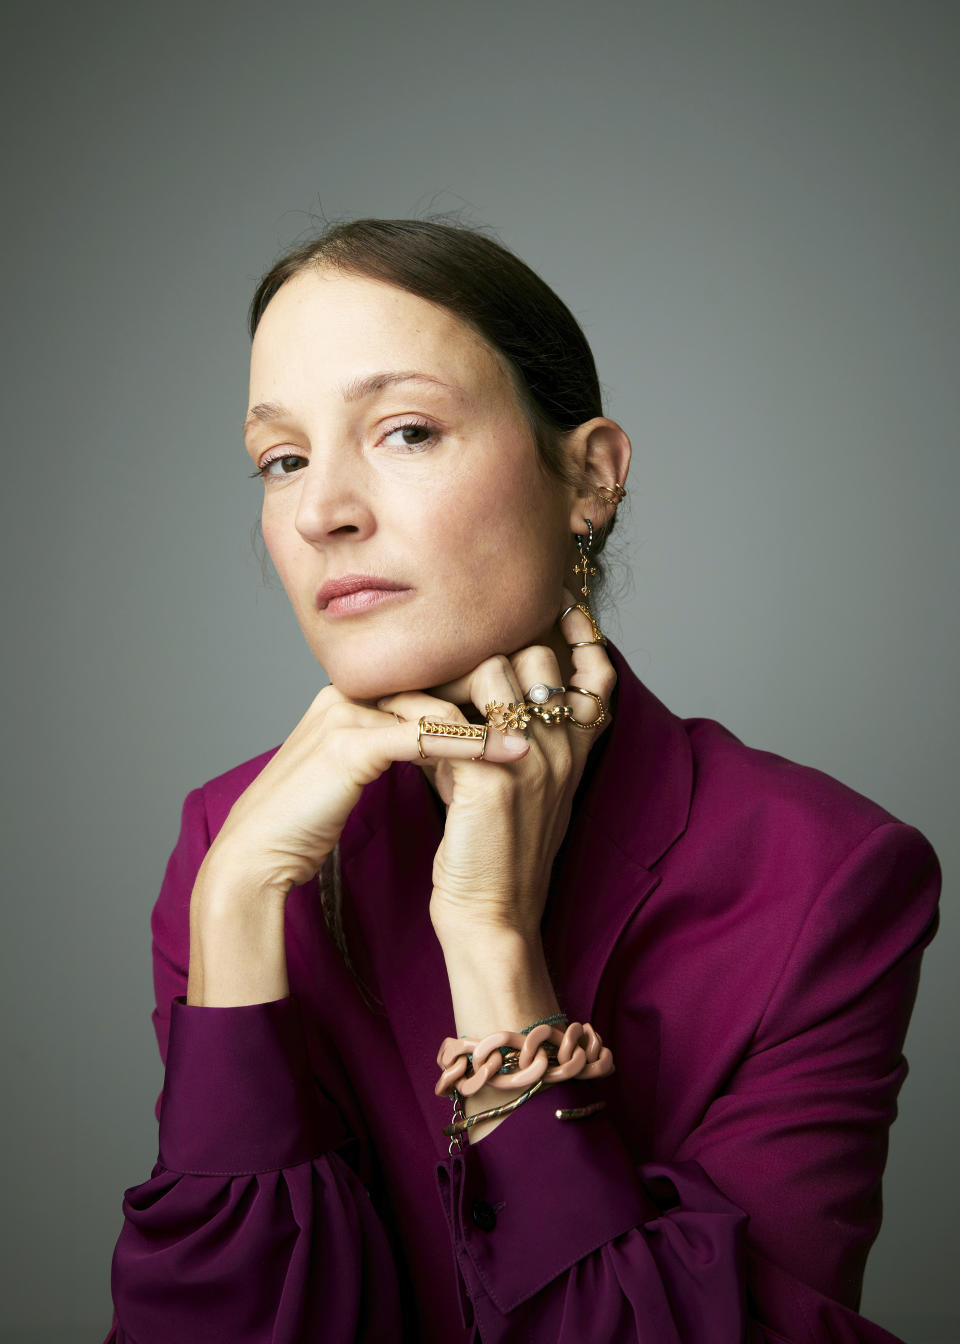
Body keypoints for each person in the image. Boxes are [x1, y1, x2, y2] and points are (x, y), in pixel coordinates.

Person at [103, 218, 941, 1343]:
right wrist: (238, 904)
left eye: (403, 431)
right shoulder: (235, 846)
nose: (320, 513)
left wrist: (492, 938)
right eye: (283, 459)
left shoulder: (824, 874)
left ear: (588, 478)